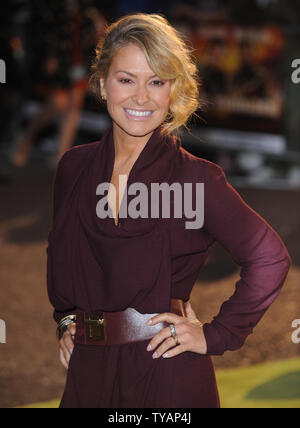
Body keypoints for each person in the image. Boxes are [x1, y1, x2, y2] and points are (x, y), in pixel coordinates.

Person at [46, 13, 291, 408]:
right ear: (103, 82)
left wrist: (215, 334)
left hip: (166, 373)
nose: (141, 97)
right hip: (88, 371)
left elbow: (270, 259)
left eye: (156, 82)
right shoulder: (73, 168)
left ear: (173, 90)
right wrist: (66, 322)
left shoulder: (197, 179)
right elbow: (61, 264)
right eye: (127, 79)